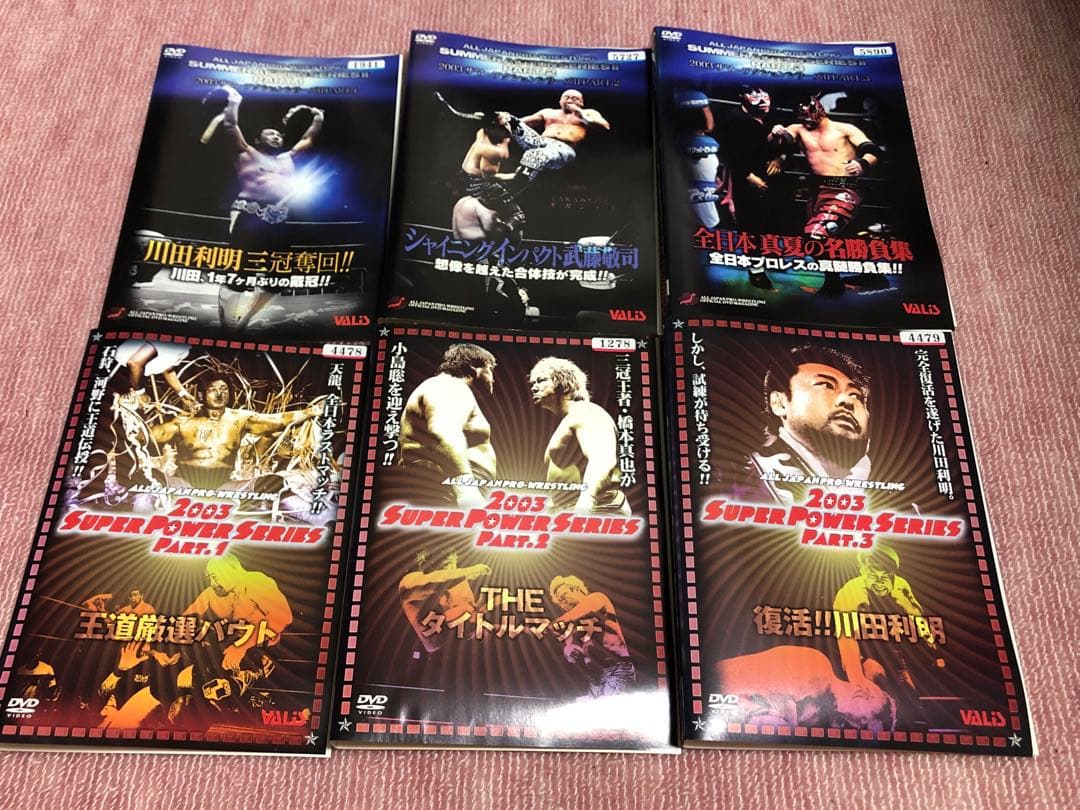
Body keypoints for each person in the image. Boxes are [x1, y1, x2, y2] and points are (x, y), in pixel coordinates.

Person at [213, 84, 326, 327]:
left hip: (279, 220)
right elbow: (230, 125)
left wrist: (318, 117)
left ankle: (245, 320)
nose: (277, 136)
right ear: (258, 139)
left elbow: (308, 138)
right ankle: (226, 321)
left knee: (276, 278)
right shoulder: (246, 152)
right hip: (249, 215)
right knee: (239, 274)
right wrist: (234, 101)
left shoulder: (287, 158)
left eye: (279, 135)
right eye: (271, 134)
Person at [770, 93, 882, 295]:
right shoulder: (797, 128)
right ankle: (873, 276)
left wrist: (862, 163)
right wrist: (775, 135)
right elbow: (779, 143)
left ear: (819, 110)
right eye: (802, 116)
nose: (806, 120)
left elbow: (873, 150)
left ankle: (833, 283)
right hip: (816, 190)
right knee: (840, 237)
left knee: (815, 235)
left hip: (844, 187)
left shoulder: (845, 129)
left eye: (808, 115)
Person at [738, 345, 871, 506]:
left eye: (856, 395)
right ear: (779, 403)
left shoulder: (891, 495)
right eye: (826, 385)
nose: (847, 400)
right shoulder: (735, 479)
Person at [146, 374, 323, 489]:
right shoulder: (183, 422)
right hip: (183, 484)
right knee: (148, 477)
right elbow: (146, 436)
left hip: (225, 486)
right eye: (213, 390)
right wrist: (133, 410)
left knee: (276, 483)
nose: (219, 394)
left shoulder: (240, 418)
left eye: (224, 390)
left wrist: (310, 411)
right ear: (201, 395)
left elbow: (276, 421)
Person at [833, 545, 938, 724]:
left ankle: (912, 721)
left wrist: (929, 639)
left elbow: (915, 613)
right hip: (860, 651)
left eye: (885, 577)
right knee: (876, 675)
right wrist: (857, 680)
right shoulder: (850, 594)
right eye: (874, 576)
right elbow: (846, 639)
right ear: (864, 571)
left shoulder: (900, 586)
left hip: (890, 649)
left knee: (909, 695)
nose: (880, 582)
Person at [399, 344, 498, 507]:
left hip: (446, 491)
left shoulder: (444, 387)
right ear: (474, 368)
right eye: (491, 369)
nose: (493, 378)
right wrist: (466, 490)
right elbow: (444, 432)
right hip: (450, 493)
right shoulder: (449, 385)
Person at [528, 357, 630, 515]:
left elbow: (602, 458)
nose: (534, 388)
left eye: (541, 380)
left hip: (598, 510)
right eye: (533, 383)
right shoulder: (572, 418)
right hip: (576, 512)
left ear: (565, 384)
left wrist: (586, 502)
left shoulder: (585, 411)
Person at [182, 555, 292, 672]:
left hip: (261, 647)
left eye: (214, 577)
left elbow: (284, 617)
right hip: (232, 644)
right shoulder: (213, 592)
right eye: (210, 578)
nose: (212, 583)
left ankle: (260, 665)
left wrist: (240, 647)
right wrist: (172, 647)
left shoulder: (257, 582)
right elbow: (185, 619)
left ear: (233, 570)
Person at [724, 85, 782, 290]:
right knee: (749, 225)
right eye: (754, 93)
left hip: (773, 178)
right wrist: (749, 176)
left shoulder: (774, 115)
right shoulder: (733, 119)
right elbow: (729, 153)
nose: (761, 98)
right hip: (745, 178)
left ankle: (771, 260)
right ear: (742, 96)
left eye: (765, 93)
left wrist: (780, 158)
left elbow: (790, 144)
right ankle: (756, 271)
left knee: (772, 220)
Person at [496, 89, 609, 188]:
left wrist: (579, 112)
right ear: (560, 101)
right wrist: (504, 124)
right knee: (506, 117)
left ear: (581, 102)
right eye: (567, 97)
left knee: (537, 154)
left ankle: (517, 181)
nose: (570, 100)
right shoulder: (548, 113)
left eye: (575, 98)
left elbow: (605, 127)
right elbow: (521, 122)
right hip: (541, 142)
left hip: (564, 150)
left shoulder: (589, 113)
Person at [548, 575, 635, 698]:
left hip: (617, 670)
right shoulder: (571, 624)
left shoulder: (597, 598)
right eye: (560, 602)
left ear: (575, 589)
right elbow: (571, 649)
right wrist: (570, 652)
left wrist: (554, 624)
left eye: (563, 596)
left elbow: (586, 607)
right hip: (595, 680)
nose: (563, 603)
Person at [398, 550, 491, 655]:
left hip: (464, 650)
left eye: (453, 564)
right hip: (430, 654)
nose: (451, 569)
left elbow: (471, 612)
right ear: (428, 565)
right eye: (446, 565)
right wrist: (471, 571)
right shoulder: (409, 581)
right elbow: (437, 580)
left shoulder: (458, 581)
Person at [452, 116, 524, 239]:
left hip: (465, 177)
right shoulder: (493, 151)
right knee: (519, 216)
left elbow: (487, 123)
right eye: (506, 123)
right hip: (479, 184)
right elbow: (490, 177)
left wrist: (488, 117)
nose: (508, 123)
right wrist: (515, 176)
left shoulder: (482, 133)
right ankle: (505, 231)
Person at [673, 89, 733, 230]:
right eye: (705, 110)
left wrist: (725, 190)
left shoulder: (703, 143)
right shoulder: (689, 146)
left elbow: (709, 175)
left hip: (708, 213)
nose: (710, 114)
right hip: (701, 220)